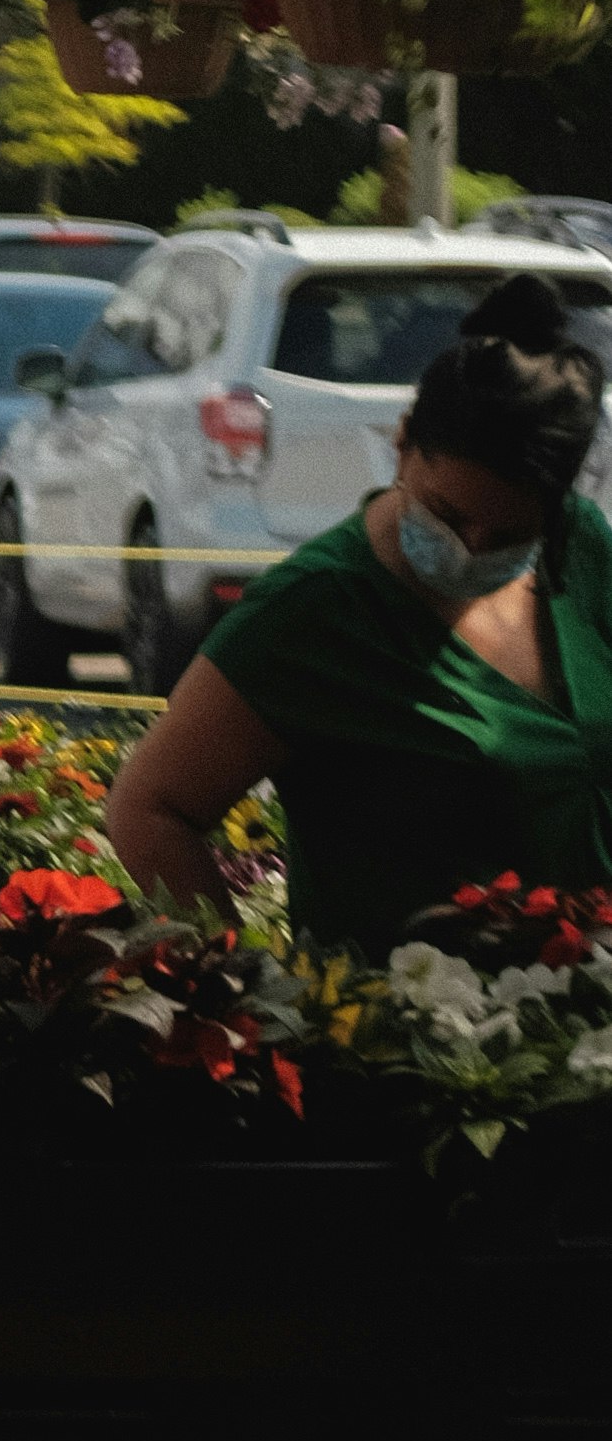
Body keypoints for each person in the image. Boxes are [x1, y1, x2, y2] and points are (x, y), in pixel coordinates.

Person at [104, 270, 612, 953]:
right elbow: (149, 808)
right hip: (419, 1041)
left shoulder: (577, 547)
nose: (471, 549)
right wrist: (243, 990)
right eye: (449, 515)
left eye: (508, 535)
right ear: (402, 443)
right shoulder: (315, 611)